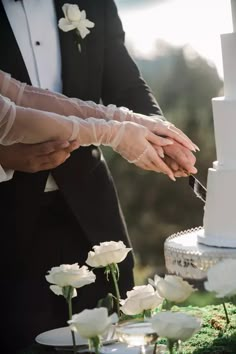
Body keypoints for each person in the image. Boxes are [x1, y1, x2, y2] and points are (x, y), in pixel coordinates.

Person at [0, 1, 197, 352]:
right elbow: (13, 116)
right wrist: (114, 133)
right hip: (8, 221)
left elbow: (28, 96)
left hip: (92, 214)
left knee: (119, 336)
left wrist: (151, 132)